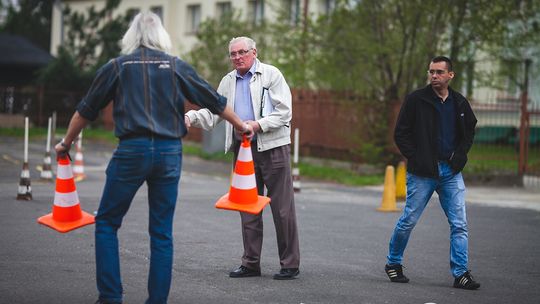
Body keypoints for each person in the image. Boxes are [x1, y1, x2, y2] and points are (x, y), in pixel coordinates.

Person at [54, 12, 253, 304]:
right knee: (161, 231)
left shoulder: (116, 67)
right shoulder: (176, 67)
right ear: (162, 36)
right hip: (168, 153)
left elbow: (86, 110)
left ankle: (110, 297)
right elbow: (214, 101)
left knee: (108, 223)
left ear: (131, 37)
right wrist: (242, 124)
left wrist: (65, 143)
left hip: (131, 151)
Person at [185, 36, 300, 280]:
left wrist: (257, 125)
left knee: (282, 208)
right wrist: (191, 117)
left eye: (242, 52)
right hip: (243, 150)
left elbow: (284, 113)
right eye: (233, 54)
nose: (237, 57)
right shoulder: (228, 80)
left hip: (273, 147)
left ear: (254, 52)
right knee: (247, 206)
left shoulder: (271, 75)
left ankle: (289, 264)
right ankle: (250, 263)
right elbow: (214, 111)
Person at [384, 56, 480, 290]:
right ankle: (393, 263)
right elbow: (401, 133)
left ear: (450, 75)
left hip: (451, 172)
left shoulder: (459, 102)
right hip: (422, 172)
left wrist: (460, 156)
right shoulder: (416, 100)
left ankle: (461, 274)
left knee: (459, 224)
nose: (434, 76)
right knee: (408, 221)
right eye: (431, 72)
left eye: (439, 72)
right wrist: (416, 157)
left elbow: (469, 130)